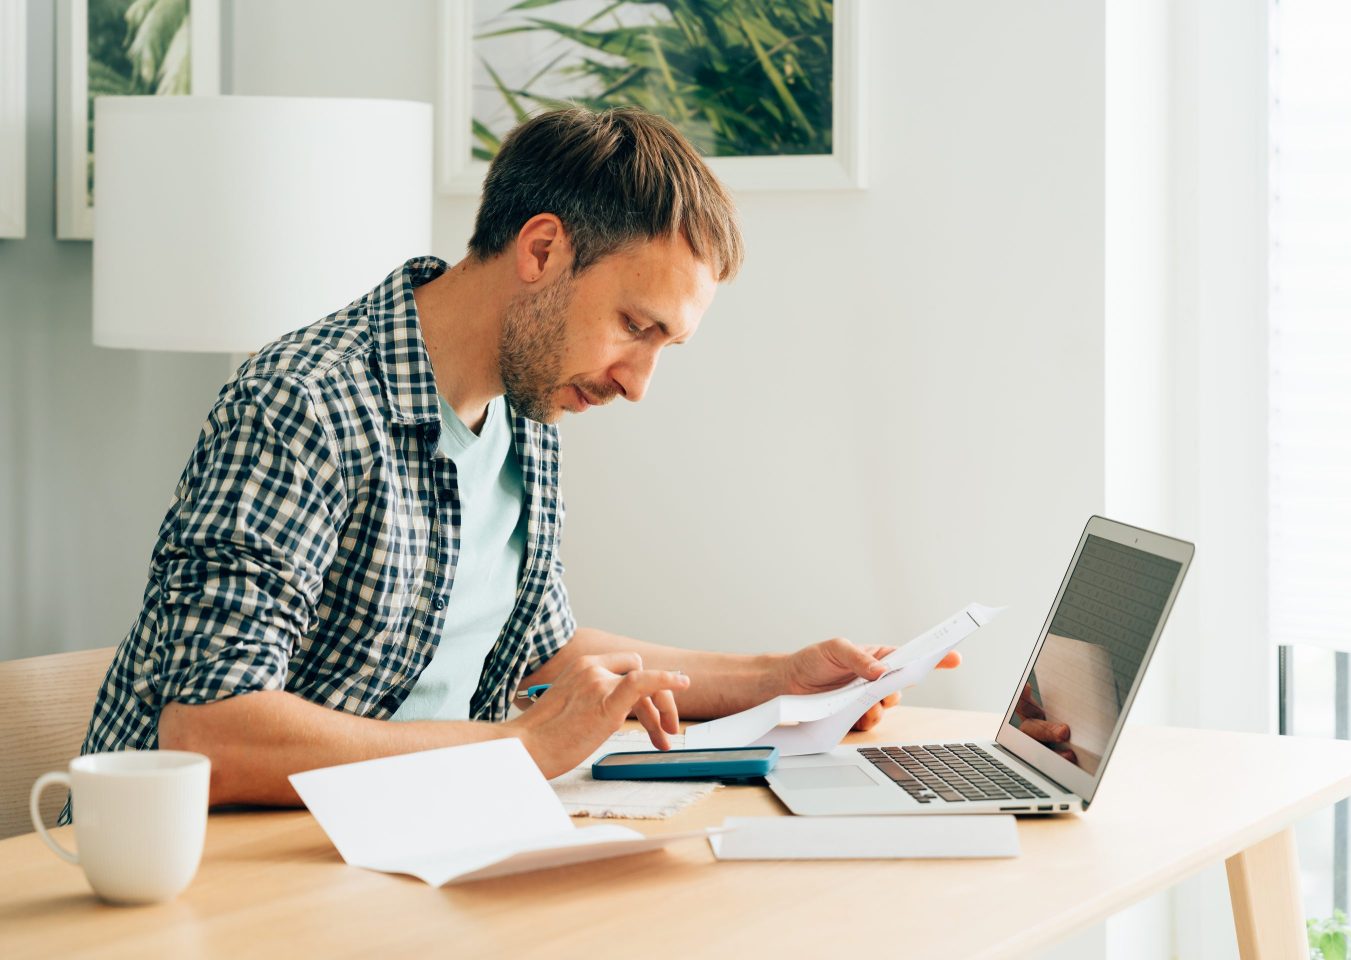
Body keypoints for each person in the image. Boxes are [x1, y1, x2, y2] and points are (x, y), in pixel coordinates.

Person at [69, 107, 961, 819]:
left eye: (665, 345)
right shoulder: (303, 406)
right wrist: (524, 749)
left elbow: (540, 647)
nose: (639, 382)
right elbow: (208, 732)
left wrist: (775, 678)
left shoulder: (525, 414)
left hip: (407, 838)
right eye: (635, 328)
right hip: (227, 880)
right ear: (541, 251)